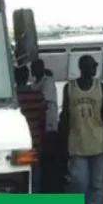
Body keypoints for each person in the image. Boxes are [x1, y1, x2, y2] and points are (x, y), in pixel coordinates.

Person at [60, 54, 103, 204]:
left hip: (98, 143)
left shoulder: (102, 88)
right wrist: (62, 142)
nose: (95, 68)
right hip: (77, 145)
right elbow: (65, 116)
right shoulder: (70, 88)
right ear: (82, 68)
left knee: (97, 185)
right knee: (80, 184)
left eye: (95, 65)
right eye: (92, 66)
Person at [30, 58, 62, 193]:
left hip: (49, 126)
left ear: (41, 68)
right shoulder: (34, 84)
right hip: (39, 127)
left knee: (50, 159)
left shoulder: (47, 81)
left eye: (35, 68)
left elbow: (44, 103)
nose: (33, 71)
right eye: (32, 68)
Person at [14, 65, 46, 193]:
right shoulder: (37, 96)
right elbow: (42, 120)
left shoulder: (12, 99)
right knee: (35, 177)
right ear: (27, 77)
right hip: (35, 142)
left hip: (17, 144)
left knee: (18, 176)